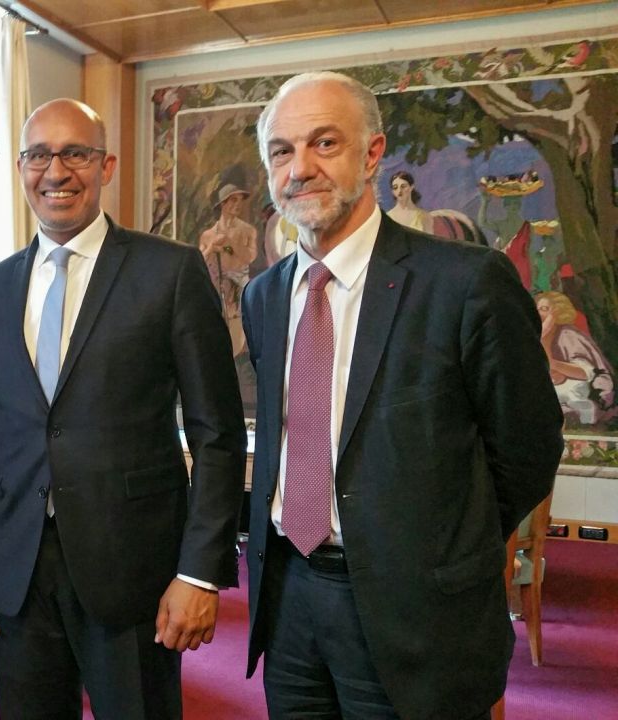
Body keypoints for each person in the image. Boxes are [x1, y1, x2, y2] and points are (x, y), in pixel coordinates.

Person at [242, 71, 564, 719]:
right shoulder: (264, 296)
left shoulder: (466, 283)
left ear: (372, 152)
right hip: (290, 599)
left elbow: (527, 448)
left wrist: (439, 541)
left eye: (324, 143)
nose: (300, 168)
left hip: (417, 607)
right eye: (281, 150)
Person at [0, 98, 247, 719]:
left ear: (106, 165)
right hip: (16, 569)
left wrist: (199, 573)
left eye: (75, 153)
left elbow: (216, 434)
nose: (56, 171)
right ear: (22, 168)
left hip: (132, 568)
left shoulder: (169, 271)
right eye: (38, 155)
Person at [536, 290, 616, 426]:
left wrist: (552, 361)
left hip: (591, 395)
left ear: (557, 312)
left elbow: (585, 372)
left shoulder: (568, 335)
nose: (538, 313)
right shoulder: (533, 337)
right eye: (536, 309)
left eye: (544, 309)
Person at [199, 183, 258, 357]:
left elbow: (250, 257)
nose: (238, 205)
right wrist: (211, 247)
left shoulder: (248, 231)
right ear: (223, 204)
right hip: (216, 284)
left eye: (240, 201)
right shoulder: (208, 234)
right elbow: (198, 261)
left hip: (238, 286)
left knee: (237, 330)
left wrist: (231, 243)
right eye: (233, 200)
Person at [385, 170, 435, 234]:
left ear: (411, 187)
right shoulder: (388, 217)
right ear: (392, 191)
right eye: (395, 188)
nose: (399, 190)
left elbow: (429, 242)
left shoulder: (424, 216)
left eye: (403, 186)